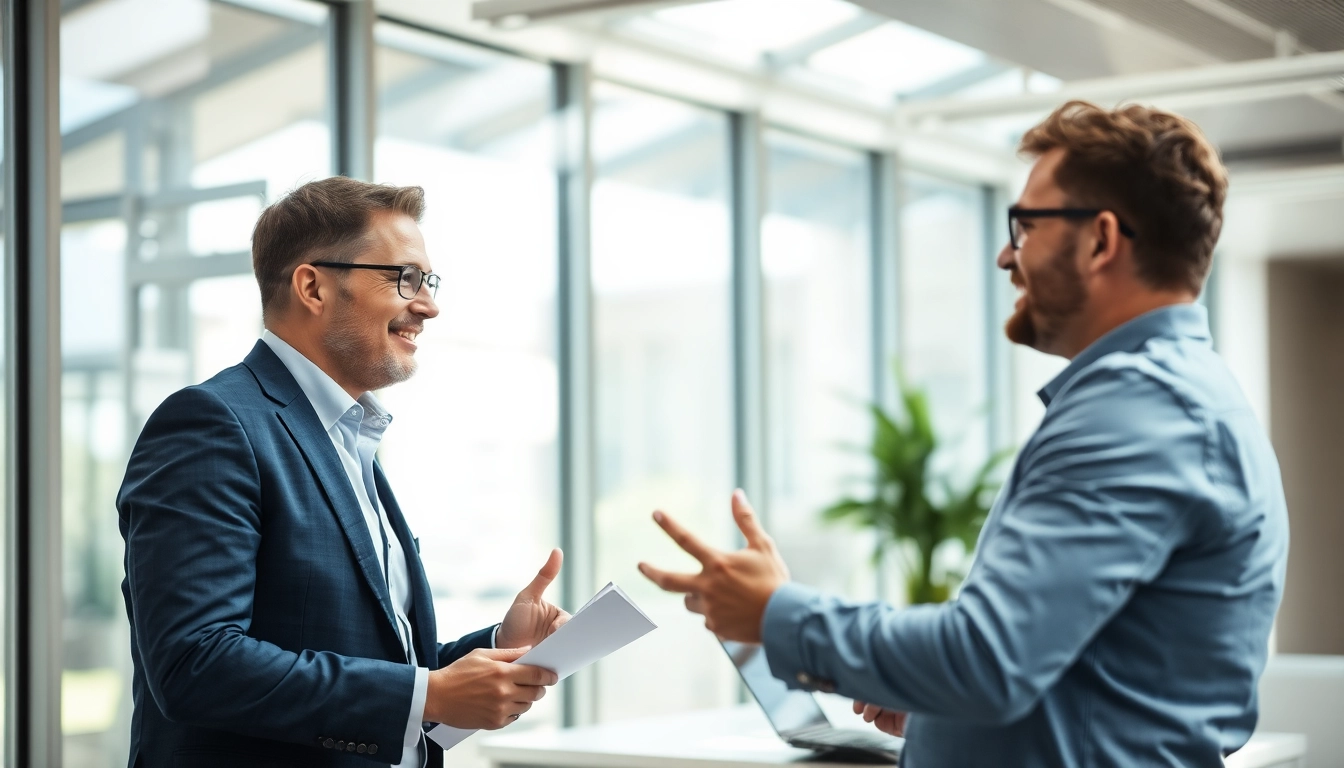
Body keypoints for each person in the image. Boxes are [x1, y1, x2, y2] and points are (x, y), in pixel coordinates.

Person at [639, 100, 1289, 767]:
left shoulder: (1138, 409)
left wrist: (778, 614)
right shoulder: (1172, 398)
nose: (1007, 255)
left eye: (1026, 225)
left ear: (1100, 240)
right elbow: (1069, 668)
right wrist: (931, 701)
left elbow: (991, 658)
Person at [118, 177, 567, 767]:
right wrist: (428, 694)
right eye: (405, 278)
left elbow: (374, 659)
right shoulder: (213, 424)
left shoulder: (350, 440)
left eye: (428, 281)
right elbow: (195, 663)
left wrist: (497, 649)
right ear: (313, 286)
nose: (429, 304)